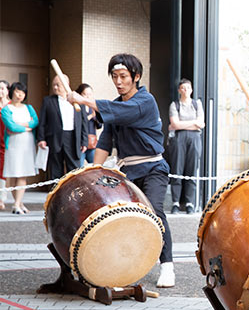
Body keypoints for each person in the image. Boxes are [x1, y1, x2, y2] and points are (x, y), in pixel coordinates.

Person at [67, 53, 175, 288]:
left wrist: (82, 99)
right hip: (128, 172)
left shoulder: (145, 101)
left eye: (124, 76)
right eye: (115, 76)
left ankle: (167, 265)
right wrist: (93, 172)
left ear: (136, 77)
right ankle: (120, 266)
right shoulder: (115, 107)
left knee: (155, 210)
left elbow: (123, 113)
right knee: (115, 214)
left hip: (153, 167)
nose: (118, 81)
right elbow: (105, 142)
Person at [37, 76, 87, 180]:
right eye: (53, 85)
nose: (55, 87)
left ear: (66, 84)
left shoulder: (76, 100)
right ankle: (55, 194)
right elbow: (42, 121)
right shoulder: (48, 101)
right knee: (55, 168)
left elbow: (83, 122)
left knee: (74, 168)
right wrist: (41, 139)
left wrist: (84, 141)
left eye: (58, 85)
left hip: (73, 137)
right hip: (54, 137)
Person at [168, 78, 204, 214]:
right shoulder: (175, 105)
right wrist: (193, 123)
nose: (185, 91)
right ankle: (175, 203)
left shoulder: (197, 104)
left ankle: (190, 203)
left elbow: (201, 123)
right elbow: (175, 124)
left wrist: (184, 124)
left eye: (188, 88)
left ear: (191, 90)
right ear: (179, 90)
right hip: (179, 138)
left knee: (192, 169)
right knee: (177, 168)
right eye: (183, 88)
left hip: (194, 138)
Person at [1, 82, 38, 214]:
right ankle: (19, 203)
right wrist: (26, 127)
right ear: (12, 92)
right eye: (17, 91)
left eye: (22, 92)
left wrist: (21, 125)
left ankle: (17, 204)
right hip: (13, 146)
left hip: (27, 145)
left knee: (22, 175)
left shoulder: (29, 108)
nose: (20, 94)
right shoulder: (6, 109)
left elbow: (35, 121)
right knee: (12, 175)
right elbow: (11, 126)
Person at [76, 84, 102, 166]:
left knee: (96, 167)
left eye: (90, 94)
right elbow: (79, 123)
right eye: (85, 94)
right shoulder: (77, 107)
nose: (88, 97)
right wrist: (90, 116)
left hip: (92, 142)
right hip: (81, 143)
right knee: (79, 168)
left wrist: (96, 117)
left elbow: (99, 126)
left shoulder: (93, 107)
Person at [0, 79, 10, 210]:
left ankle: (2, 199)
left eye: (2, 88)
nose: (0, 91)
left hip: (7, 142)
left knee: (3, 171)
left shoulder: (11, 106)